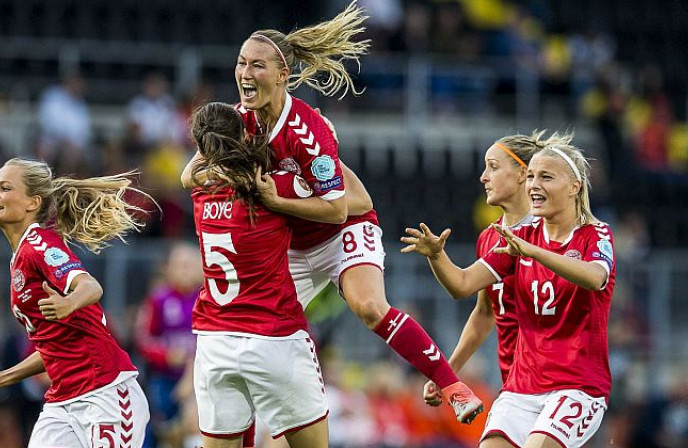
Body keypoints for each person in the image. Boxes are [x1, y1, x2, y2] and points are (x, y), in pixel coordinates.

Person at [182, 0, 483, 424]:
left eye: (257, 66)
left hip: (337, 233)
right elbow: (187, 177)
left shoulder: (307, 130)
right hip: (290, 244)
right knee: (243, 336)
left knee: (368, 308)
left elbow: (343, 208)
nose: (246, 75)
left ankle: (453, 386)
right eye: (241, 63)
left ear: (283, 75)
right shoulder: (236, 121)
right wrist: (226, 178)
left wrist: (275, 200)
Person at [401, 141, 615, 448]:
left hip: (577, 386)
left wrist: (533, 251)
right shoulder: (513, 239)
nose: (535, 185)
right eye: (533, 177)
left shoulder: (595, 234)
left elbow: (596, 278)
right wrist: (437, 256)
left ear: (574, 187)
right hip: (521, 386)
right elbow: (463, 286)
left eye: (546, 178)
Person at [0, 158, 151, 448]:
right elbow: (52, 345)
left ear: (32, 203)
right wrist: (4, 377)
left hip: (104, 392)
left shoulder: (39, 244)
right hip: (63, 402)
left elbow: (90, 286)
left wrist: (70, 303)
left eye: (5, 188)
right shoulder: (20, 256)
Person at [190, 102, 329, 448]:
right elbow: (342, 203)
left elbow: (196, 168)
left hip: (214, 343)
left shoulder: (198, 190)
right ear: (243, 136)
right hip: (273, 336)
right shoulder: (272, 186)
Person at [422, 131, 573, 404]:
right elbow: (484, 313)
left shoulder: (552, 231)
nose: (483, 177)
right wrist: (448, 372)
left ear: (522, 174)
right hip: (515, 384)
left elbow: (462, 284)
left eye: (493, 167)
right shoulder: (490, 238)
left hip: (559, 383)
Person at [135, 242, 203, 448]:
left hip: (202, 376)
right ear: (169, 269)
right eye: (180, 264)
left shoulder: (208, 298)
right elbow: (143, 340)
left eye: (190, 264)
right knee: (158, 426)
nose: (185, 269)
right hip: (165, 377)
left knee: (197, 421)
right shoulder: (159, 299)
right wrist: (166, 355)